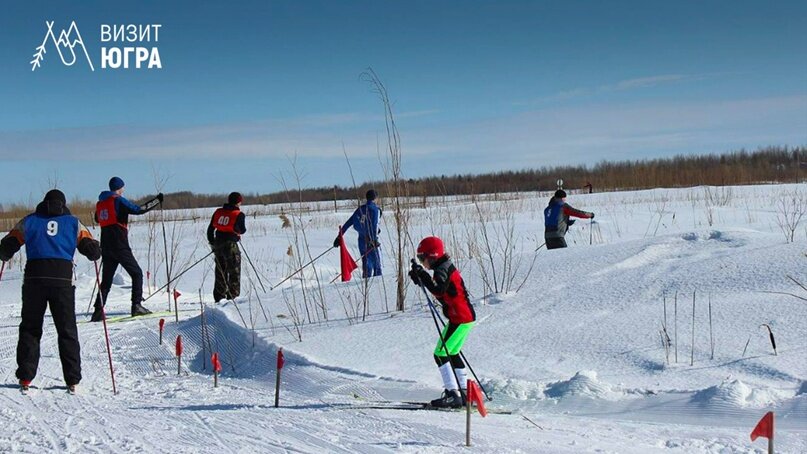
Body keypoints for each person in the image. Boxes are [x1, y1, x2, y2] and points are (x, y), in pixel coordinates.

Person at [0, 190, 101, 392]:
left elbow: (9, 243)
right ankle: (72, 379)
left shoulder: (29, 221)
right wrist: (95, 251)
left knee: (30, 328)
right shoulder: (73, 223)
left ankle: (26, 377)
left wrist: (5, 252)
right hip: (62, 280)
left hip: (34, 279)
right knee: (67, 330)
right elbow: (91, 248)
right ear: (63, 205)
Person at [409, 236, 475, 408]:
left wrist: (423, 276)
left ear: (433, 256)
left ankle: (453, 394)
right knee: (451, 353)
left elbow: (438, 289)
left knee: (440, 353)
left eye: (423, 259)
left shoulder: (441, 270)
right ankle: (464, 393)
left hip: (460, 318)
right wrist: (422, 278)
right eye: (420, 259)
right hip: (463, 317)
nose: (422, 263)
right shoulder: (443, 267)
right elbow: (440, 289)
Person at [91, 177, 162, 321]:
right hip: (120, 245)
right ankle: (136, 306)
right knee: (137, 273)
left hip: (106, 246)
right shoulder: (118, 200)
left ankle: (98, 310)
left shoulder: (100, 203)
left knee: (107, 280)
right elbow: (139, 209)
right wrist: (157, 200)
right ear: (120, 187)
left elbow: (98, 219)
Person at [207, 192, 246, 302]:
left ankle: (219, 298)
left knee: (220, 272)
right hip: (231, 246)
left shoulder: (218, 212)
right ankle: (232, 299)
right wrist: (236, 234)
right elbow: (241, 230)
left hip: (218, 244)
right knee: (234, 273)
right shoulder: (238, 214)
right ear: (239, 202)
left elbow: (210, 230)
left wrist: (212, 243)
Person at [333, 189, 382, 277]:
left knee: (367, 266)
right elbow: (374, 225)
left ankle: (365, 286)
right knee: (377, 266)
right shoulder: (375, 210)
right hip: (371, 241)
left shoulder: (360, 209)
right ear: (375, 198)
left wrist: (339, 236)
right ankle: (377, 289)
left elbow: (348, 223)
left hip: (361, 241)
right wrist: (374, 239)